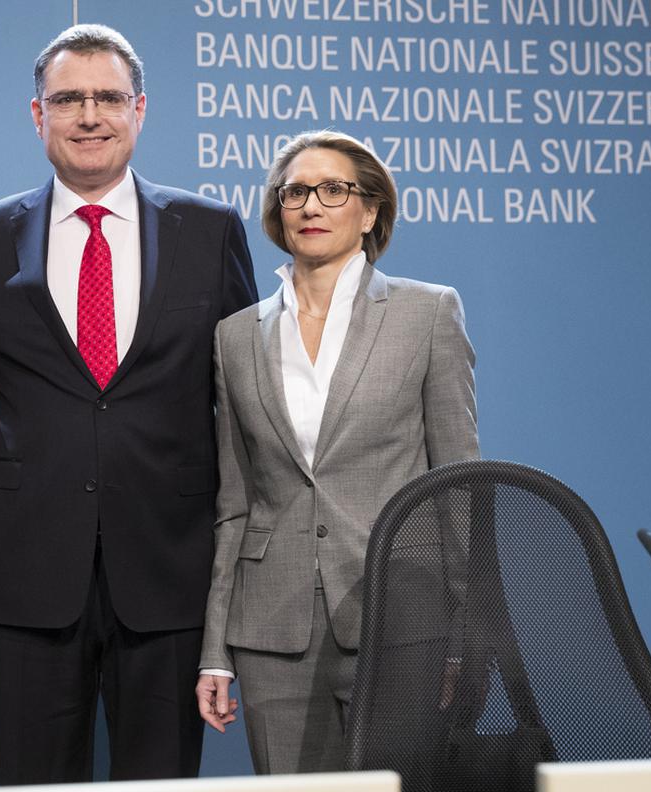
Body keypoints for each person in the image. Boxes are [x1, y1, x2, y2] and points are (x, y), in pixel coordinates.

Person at [0, 23, 257, 784]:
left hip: (170, 568)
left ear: (140, 110)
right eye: (69, 99)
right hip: (26, 573)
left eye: (109, 97)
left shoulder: (209, 230)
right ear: (37, 114)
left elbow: (243, 410)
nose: (90, 115)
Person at [195, 130, 479, 773]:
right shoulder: (235, 336)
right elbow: (234, 504)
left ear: (370, 210)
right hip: (272, 628)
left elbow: (458, 486)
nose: (311, 206)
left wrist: (468, 633)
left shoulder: (428, 313)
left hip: (403, 612)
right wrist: (216, 646)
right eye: (295, 191)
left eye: (333, 190)